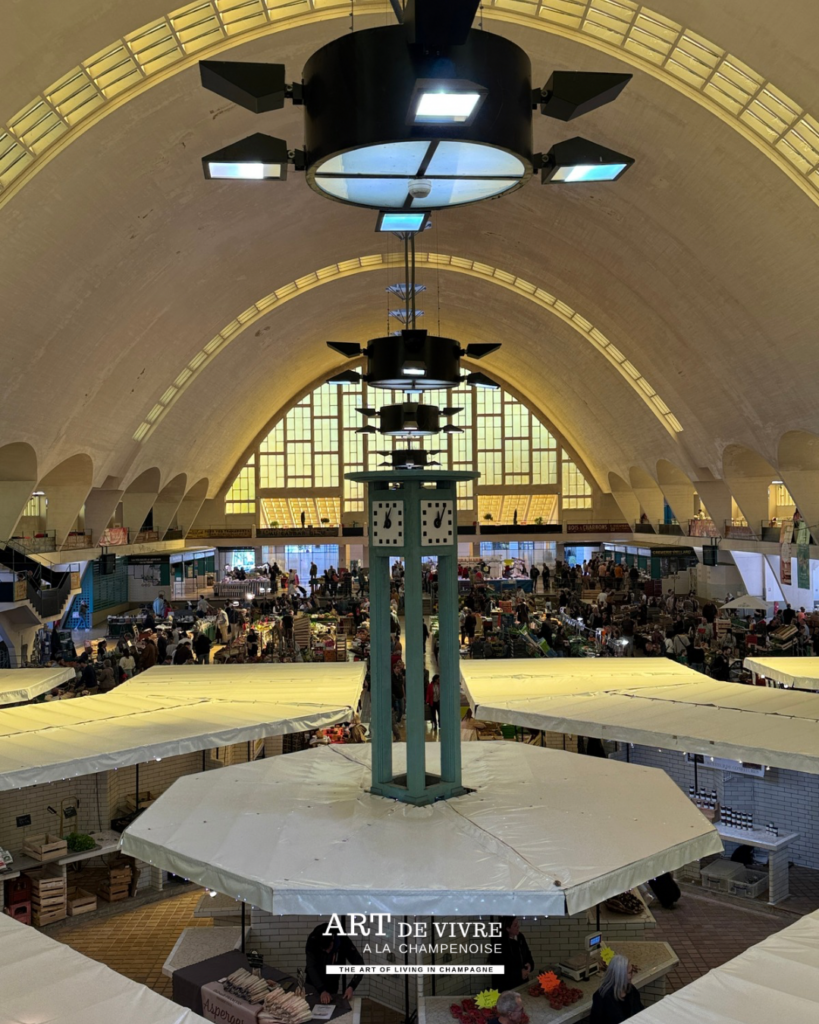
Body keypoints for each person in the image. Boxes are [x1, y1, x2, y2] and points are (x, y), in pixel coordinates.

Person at [305, 922, 364, 1005]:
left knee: (330, 1008)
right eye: (324, 950)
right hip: (313, 980)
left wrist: (352, 986)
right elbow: (311, 967)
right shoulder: (313, 940)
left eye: (329, 948)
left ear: (333, 940)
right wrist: (321, 989)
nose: (327, 952)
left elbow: (359, 964)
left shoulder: (342, 940)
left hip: (332, 980)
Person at [589, 955, 643, 1023]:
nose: (633, 975)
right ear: (620, 975)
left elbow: (641, 1012)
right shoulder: (602, 997)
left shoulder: (631, 990)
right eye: (630, 972)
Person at [492, 916, 533, 991]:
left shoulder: (520, 937)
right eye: (515, 925)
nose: (518, 926)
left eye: (517, 923)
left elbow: (527, 954)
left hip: (523, 984)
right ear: (507, 929)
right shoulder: (500, 943)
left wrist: (530, 965)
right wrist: (519, 973)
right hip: (507, 987)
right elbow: (500, 969)